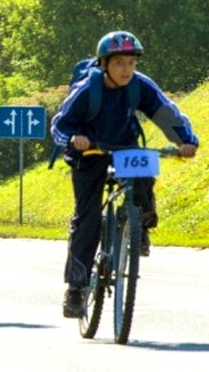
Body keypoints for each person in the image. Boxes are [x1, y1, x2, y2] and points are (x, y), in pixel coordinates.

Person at [50, 31, 199, 319]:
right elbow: (60, 123)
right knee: (87, 217)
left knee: (144, 168)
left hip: (123, 146)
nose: (126, 70)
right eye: (119, 63)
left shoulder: (139, 86)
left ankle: (139, 225)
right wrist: (73, 138)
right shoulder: (86, 89)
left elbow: (166, 113)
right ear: (104, 63)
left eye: (131, 63)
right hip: (88, 152)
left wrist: (186, 141)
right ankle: (76, 289)